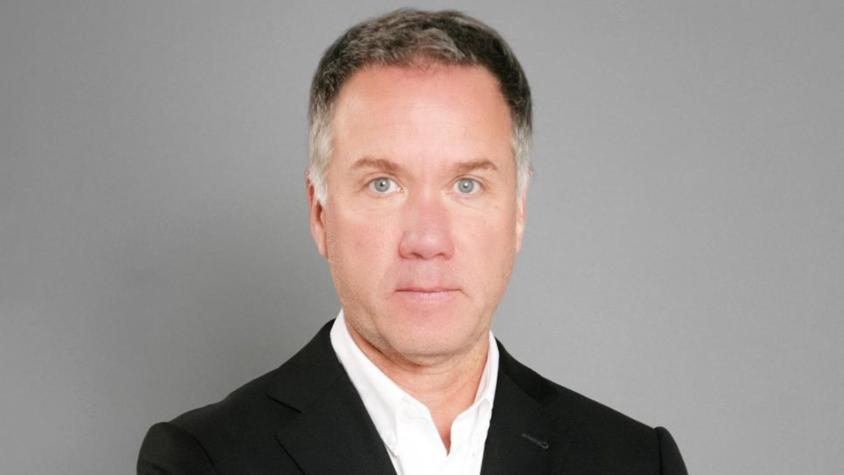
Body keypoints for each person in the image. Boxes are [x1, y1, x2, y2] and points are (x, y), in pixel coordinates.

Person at [138, 9, 688, 474]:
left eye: (467, 185)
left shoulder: (636, 461)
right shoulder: (204, 460)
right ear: (319, 213)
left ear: (518, 212)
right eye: (383, 184)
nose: (427, 240)